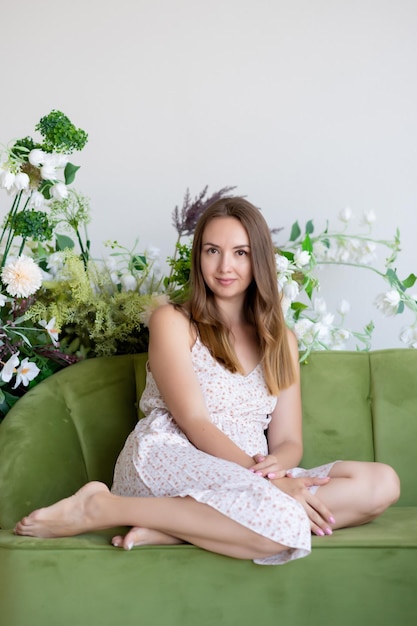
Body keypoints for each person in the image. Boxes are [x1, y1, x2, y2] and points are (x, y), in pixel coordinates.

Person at [15, 197, 400, 565]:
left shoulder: (282, 340)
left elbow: (287, 441)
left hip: (249, 469)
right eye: (212, 250)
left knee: (380, 482)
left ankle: (177, 527)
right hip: (172, 455)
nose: (224, 266)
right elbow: (195, 422)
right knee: (282, 523)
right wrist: (269, 486)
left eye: (240, 252)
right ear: (199, 256)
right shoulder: (173, 322)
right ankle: (102, 507)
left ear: (259, 259)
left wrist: (274, 472)